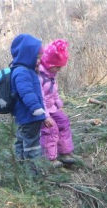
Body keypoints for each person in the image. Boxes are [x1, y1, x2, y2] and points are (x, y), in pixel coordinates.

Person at [38, 39, 75, 167]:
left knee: (63, 121)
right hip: (43, 111)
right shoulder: (40, 76)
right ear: (49, 63)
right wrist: (45, 116)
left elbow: (54, 91)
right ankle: (50, 158)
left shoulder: (51, 75)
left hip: (52, 107)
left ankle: (65, 152)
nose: (59, 70)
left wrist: (58, 102)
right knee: (51, 128)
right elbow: (39, 98)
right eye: (57, 67)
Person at [10, 34, 46, 162]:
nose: (39, 61)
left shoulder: (25, 70)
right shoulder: (22, 72)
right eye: (36, 57)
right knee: (32, 146)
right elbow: (26, 92)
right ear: (26, 55)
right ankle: (33, 173)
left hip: (26, 116)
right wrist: (36, 108)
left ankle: (20, 167)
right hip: (30, 116)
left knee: (21, 140)